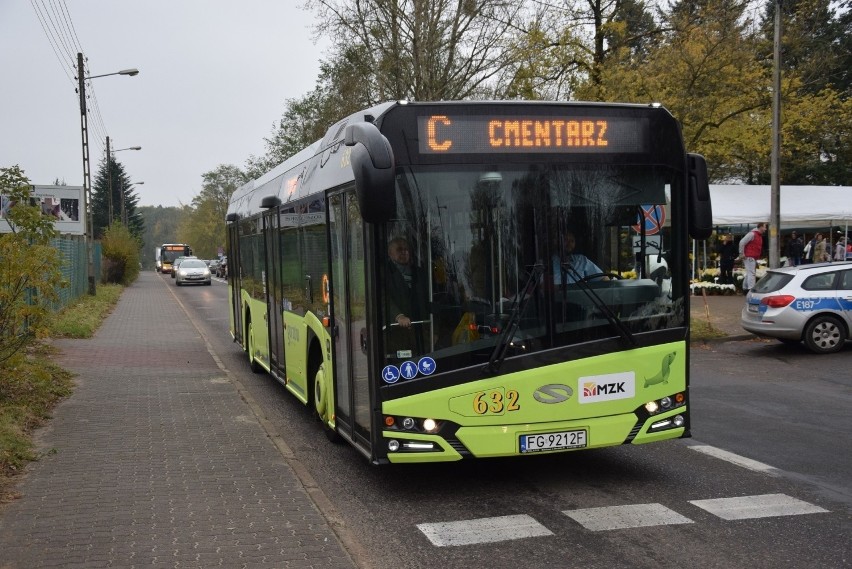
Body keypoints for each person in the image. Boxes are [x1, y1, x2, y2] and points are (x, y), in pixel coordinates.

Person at [385, 236, 429, 357]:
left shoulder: (419, 272)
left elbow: (429, 300)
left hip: (421, 332)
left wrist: (434, 330)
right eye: (399, 249)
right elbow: (383, 298)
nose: (404, 252)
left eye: (406, 249)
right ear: (390, 253)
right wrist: (398, 316)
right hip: (396, 334)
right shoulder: (384, 273)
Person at [738, 222, 766, 294]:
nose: (765, 229)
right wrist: (741, 253)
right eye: (764, 227)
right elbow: (742, 242)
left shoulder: (757, 235)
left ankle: (745, 288)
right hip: (749, 256)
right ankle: (751, 290)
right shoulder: (752, 234)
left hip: (751, 256)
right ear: (760, 227)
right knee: (752, 273)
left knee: (749, 273)